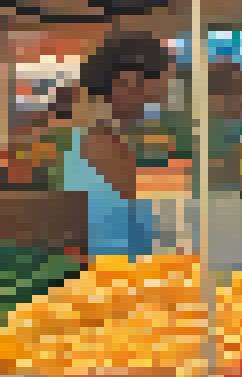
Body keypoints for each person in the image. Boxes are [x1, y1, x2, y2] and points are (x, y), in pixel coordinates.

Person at [67, 31, 175, 258]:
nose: (146, 95)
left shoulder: (124, 137)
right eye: (132, 84)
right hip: (114, 272)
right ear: (110, 86)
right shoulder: (99, 141)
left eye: (145, 84)